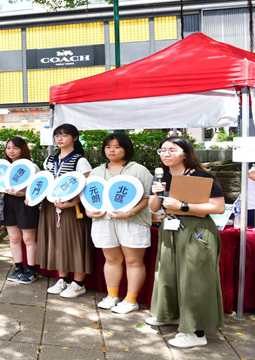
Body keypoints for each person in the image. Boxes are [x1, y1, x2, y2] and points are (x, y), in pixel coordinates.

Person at [146, 136, 225, 348]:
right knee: (167, 274)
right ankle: (169, 314)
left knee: (194, 279)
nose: (166, 154)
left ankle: (196, 332)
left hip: (196, 232)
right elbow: (154, 208)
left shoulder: (200, 176)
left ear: (185, 153)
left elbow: (218, 208)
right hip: (170, 228)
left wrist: (184, 206)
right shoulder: (162, 177)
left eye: (172, 150)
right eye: (162, 150)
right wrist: (156, 193)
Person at [85, 134, 153, 314]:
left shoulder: (139, 170)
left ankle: (131, 300)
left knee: (133, 260)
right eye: (108, 147)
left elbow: (147, 198)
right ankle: (112, 295)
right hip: (103, 221)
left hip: (132, 221)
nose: (112, 151)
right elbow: (89, 199)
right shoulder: (97, 172)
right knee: (111, 259)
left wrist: (129, 212)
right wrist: (88, 211)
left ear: (126, 149)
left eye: (117, 147)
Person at [37, 123, 94, 298]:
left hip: (72, 208)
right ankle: (62, 279)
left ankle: (78, 283)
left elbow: (86, 186)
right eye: (57, 135)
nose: (60, 138)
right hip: (50, 207)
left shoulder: (80, 160)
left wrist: (73, 202)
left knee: (75, 242)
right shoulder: (51, 159)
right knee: (58, 242)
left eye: (65, 135)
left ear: (75, 138)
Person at [1, 136, 41, 284]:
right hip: (9, 202)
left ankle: (31, 269)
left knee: (28, 238)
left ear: (23, 149)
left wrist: (22, 194)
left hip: (26, 203)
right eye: (8, 147)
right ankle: (18, 268)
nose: (11, 151)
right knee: (14, 238)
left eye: (15, 148)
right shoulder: (4, 167)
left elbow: (39, 188)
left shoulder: (32, 167)